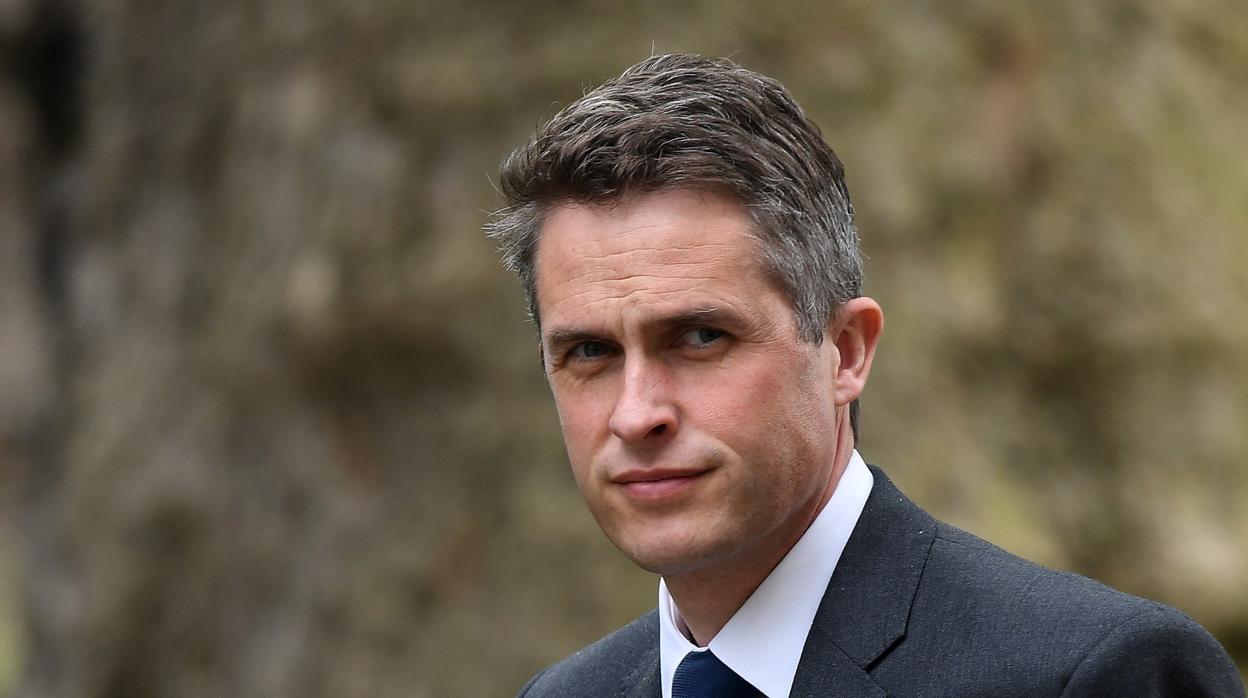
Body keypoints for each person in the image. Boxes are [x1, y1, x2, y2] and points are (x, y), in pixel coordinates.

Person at [487, 54, 1244, 698]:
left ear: (845, 352)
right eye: (590, 353)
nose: (636, 414)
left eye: (700, 337)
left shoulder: (1094, 675)